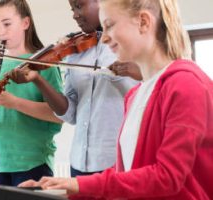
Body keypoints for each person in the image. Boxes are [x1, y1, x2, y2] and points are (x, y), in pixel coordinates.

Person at [20, 0, 213, 199]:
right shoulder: (135, 95)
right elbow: (126, 173)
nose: (102, 39)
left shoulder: (186, 84)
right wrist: (61, 190)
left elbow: (167, 177)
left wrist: (77, 184)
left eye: (109, 26)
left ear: (143, 22)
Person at [12, 0, 140, 177]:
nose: (74, 14)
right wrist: (37, 80)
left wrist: (117, 70)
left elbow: (141, 100)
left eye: (79, 6)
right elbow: (70, 113)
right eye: (72, 9)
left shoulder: (129, 43)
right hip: (79, 162)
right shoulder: (75, 51)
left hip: (116, 161)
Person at [0, 0, 63, 187]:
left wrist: (14, 102)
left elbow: (59, 114)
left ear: (25, 23)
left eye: (7, 24)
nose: (1, 32)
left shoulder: (45, 64)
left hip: (33, 162)